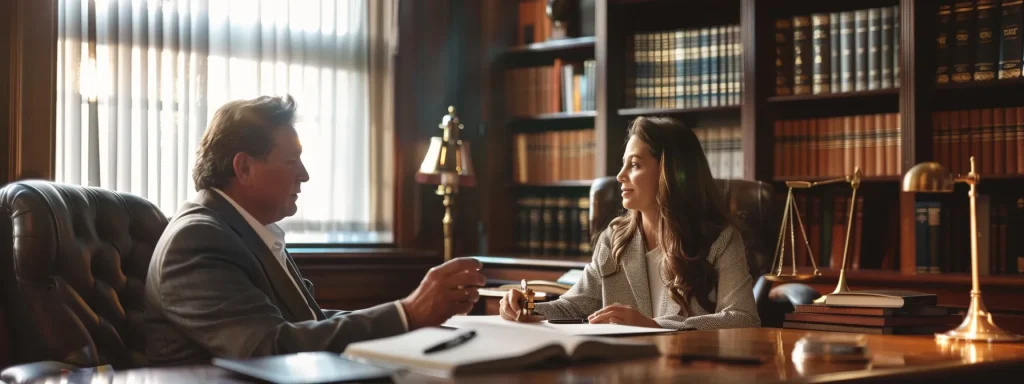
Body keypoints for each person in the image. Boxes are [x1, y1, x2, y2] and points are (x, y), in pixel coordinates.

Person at [145, 95, 485, 365]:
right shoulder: (198, 240)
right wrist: (407, 313)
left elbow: (309, 322)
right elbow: (268, 348)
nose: (304, 175)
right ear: (244, 167)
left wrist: (415, 317)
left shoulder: (244, 230)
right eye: (291, 161)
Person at [500, 116, 760, 330]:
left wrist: (655, 326)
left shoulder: (720, 240)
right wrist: (527, 307)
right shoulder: (614, 238)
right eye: (623, 164)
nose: (620, 175)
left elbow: (744, 318)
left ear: (668, 172)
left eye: (634, 165)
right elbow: (574, 305)